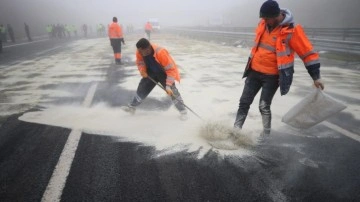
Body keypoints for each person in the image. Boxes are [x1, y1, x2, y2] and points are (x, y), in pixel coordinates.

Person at [233, 0, 324, 139]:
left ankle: (266, 135)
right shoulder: (263, 24)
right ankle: (236, 131)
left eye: (267, 18)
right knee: (244, 102)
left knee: (263, 106)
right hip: (254, 71)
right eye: (263, 18)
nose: (264, 21)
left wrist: (316, 77)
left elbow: (308, 54)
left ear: (276, 16)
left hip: (272, 76)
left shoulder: (291, 31)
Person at [122, 38, 188, 120]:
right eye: (139, 51)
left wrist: (168, 85)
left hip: (164, 73)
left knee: (172, 91)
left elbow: (171, 70)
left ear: (148, 49)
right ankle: (132, 107)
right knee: (142, 88)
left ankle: (183, 111)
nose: (140, 53)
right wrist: (142, 70)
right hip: (150, 73)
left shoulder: (161, 52)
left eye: (142, 51)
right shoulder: (139, 52)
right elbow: (140, 62)